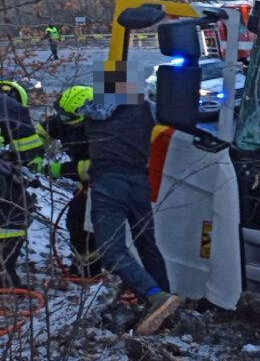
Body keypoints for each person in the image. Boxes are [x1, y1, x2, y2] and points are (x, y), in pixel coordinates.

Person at [79, 70, 179, 335]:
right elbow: (172, 118)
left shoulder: (92, 113)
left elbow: (70, 120)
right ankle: (165, 300)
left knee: (111, 250)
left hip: (108, 184)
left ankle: (154, 296)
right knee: (148, 244)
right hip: (138, 184)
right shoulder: (146, 110)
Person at [43, 86, 98, 279]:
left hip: (98, 187)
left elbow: (94, 168)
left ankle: (91, 270)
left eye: (70, 119)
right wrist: (30, 152)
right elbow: (44, 130)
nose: (66, 122)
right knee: (77, 222)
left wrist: (60, 170)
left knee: (82, 224)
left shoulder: (100, 131)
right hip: (83, 188)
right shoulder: (67, 118)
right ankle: (85, 266)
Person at [0, 81, 44, 288]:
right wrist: (28, 171)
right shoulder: (9, 106)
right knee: (13, 216)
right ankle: (5, 276)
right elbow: (28, 150)